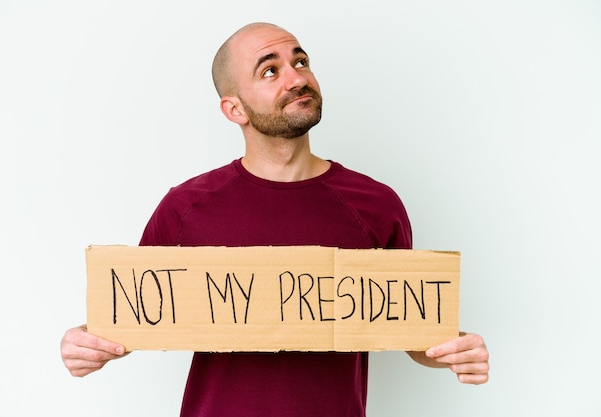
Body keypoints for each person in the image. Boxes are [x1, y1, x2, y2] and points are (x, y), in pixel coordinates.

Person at [61, 22, 489, 417]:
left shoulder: (376, 205)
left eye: (300, 62)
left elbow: (408, 328)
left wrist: (449, 350)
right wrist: (86, 340)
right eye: (270, 70)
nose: (297, 77)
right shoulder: (185, 207)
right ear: (235, 109)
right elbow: (134, 314)